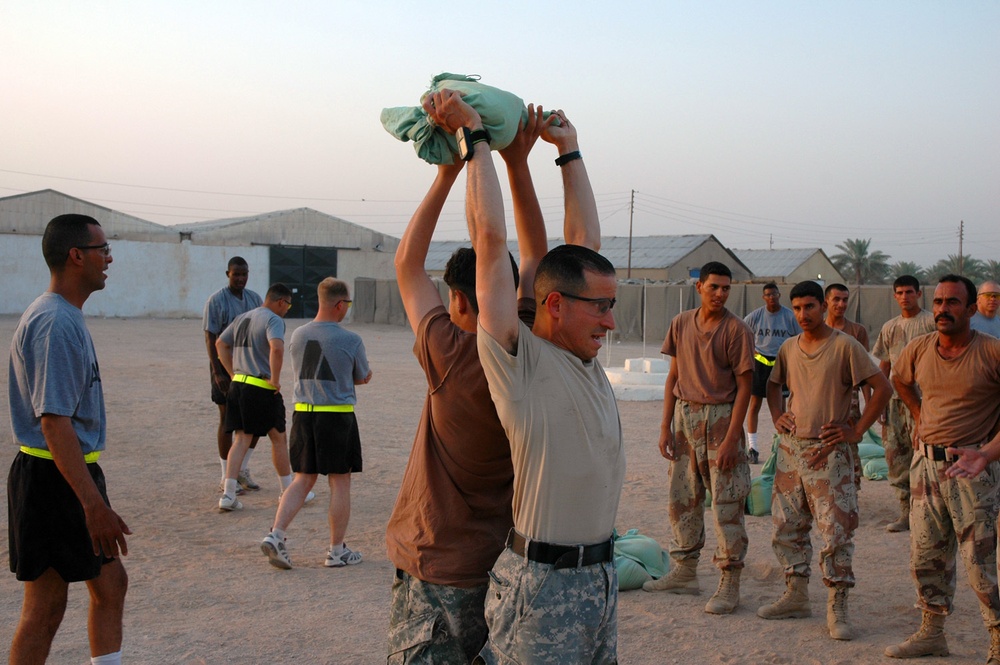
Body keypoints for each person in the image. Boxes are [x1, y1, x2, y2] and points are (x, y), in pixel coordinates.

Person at [426, 89, 625, 664]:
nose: (611, 322)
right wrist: (475, 142)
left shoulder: (583, 362)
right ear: (556, 306)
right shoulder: (521, 362)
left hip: (600, 580)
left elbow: (582, 248)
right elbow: (492, 242)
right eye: (601, 308)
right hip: (543, 586)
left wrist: (569, 152)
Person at [385, 105, 553, 662]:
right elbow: (534, 255)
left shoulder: (451, 357)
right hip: (503, 566)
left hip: (439, 564)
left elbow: (407, 265)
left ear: (458, 299)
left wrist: (447, 172)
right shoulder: (529, 346)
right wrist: (518, 163)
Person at [7, 214, 130, 665]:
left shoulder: (65, 315)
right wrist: (92, 505)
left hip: (69, 472)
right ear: (76, 255)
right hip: (52, 478)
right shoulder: (54, 322)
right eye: (102, 249)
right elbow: (53, 423)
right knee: (45, 608)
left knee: (111, 585)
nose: (109, 257)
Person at [756, 280, 891, 641]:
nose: (803, 314)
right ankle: (796, 595)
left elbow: (883, 388)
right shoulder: (788, 347)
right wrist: (777, 416)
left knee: (836, 531)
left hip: (830, 453)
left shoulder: (845, 345)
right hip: (791, 451)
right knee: (787, 525)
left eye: (810, 307)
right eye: (797, 308)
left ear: (823, 306)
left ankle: (838, 604)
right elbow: (772, 384)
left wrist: (857, 431)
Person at [884, 274, 1000, 662]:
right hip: (926, 470)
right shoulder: (918, 348)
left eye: (952, 303)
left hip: (973, 471)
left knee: (980, 564)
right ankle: (932, 633)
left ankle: (998, 639)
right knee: (926, 557)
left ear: (970, 310)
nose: (942, 310)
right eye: (937, 302)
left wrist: (986, 454)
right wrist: (919, 415)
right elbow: (898, 381)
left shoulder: (992, 353)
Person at [643, 261, 754, 616]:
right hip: (685, 418)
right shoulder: (681, 323)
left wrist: (732, 438)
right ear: (699, 287)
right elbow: (673, 375)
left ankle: (729, 581)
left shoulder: (736, 330)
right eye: (714, 287)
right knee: (683, 499)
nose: (720, 294)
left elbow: (745, 387)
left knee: (726, 504)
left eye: (726, 288)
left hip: (722, 419)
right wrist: (664, 426)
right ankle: (685, 571)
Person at [260, 278, 372, 569]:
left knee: (302, 478)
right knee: (340, 481)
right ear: (339, 305)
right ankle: (336, 551)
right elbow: (360, 375)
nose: (347, 308)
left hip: (303, 413)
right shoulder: (350, 339)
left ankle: (276, 534)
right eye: (347, 304)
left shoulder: (297, 335)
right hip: (336, 415)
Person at [215, 283, 295, 511]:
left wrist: (233, 374)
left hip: (239, 385)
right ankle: (287, 491)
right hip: (260, 386)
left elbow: (221, 343)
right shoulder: (274, 320)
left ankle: (228, 494)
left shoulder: (242, 318)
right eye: (288, 305)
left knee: (241, 439)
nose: (287, 310)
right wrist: (275, 379)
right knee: (278, 438)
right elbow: (277, 348)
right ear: (281, 301)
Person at [871, 275, 935, 532]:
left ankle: (928, 512)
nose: (905, 296)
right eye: (900, 292)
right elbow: (884, 364)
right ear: (894, 296)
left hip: (925, 400)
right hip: (895, 402)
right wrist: (877, 401)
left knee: (927, 455)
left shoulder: (931, 322)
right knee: (896, 457)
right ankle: (905, 512)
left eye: (910, 292)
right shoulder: (889, 327)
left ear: (919, 294)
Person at [203, 257, 264, 494]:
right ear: (227, 273)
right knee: (228, 420)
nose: (240, 278)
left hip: (250, 367)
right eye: (235, 274)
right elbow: (210, 337)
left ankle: (242, 469)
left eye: (244, 274)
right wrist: (217, 371)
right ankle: (225, 476)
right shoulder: (216, 301)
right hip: (225, 368)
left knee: (255, 421)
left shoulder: (255, 299)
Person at [743, 283, 800, 463]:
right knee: (754, 404)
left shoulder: (789, 316)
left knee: (780, 407)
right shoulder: (756, 316)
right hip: (760, 364)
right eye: (768, 295)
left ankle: (780, 445)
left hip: (780, 363)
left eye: (774, 294)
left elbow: (799, 338)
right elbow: (742, 333)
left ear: (779, 295)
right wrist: (751, 352)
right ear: (763, 297)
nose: (771, 298)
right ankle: (753, 447)